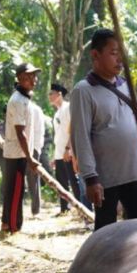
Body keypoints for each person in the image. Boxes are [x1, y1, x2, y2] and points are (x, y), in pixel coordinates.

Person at [71, 28, 137, 230]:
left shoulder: (127, 86)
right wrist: (90, 178)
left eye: (122, 53)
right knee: (106, 234)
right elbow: (81, 137)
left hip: (136, 172)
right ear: (95, 55)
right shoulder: (83, 90)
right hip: (105, 179)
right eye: (114, 53)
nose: (120, 59)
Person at [1, 63, 40, 233]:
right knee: (17, 190)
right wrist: (30, 158)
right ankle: (13, 226)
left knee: (13, 188)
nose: (33, 79)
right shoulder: (17, 100)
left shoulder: (25, 99)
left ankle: (6, 222)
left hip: (20, 152)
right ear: (19, 79)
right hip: (17, 154)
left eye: (34, 76)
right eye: (28, 76)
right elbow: (20, 133)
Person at [49, 82, 87, 214]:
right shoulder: (56, 113)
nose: (49, 96)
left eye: (51, 93)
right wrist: (55, 155)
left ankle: (80, 209)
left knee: (74, 181)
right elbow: (58, 135)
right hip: (59, 152)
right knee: (61, 183)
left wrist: (68, 149)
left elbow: (73, 129)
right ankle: (64, 208)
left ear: (59, 94)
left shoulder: (68, 108)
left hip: (68, 152)